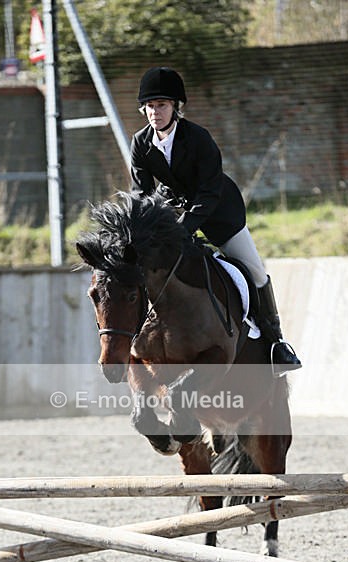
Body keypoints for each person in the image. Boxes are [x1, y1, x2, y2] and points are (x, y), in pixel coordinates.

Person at [130, 66, 301, 372]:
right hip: (175, 213)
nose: (155, 113)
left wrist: (185, 228)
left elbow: (209, 192)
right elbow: (141, 194)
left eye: (162, 105)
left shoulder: (198, 138)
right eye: (151, 106)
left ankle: (276, 344)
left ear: (175, 107)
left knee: (256, 272)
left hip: (219, 212)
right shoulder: (140, 142)